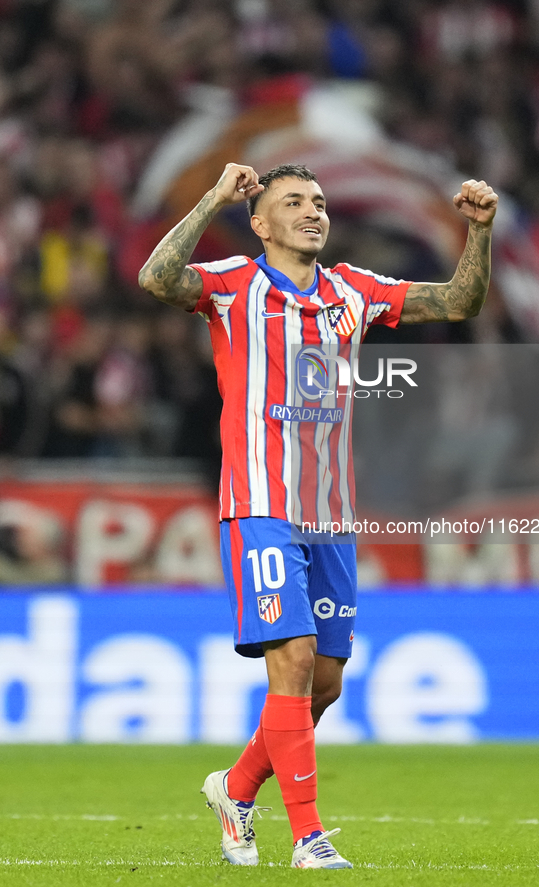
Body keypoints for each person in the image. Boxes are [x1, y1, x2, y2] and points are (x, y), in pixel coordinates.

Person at [138, 162, 497, 868]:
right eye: (292, 202)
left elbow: (458, 301)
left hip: (329, 515)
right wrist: (214, 196)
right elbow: (156, 278)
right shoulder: (234, 286)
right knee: (293, 660)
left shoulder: (351, 291)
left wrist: (477, 232)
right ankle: (308, 837)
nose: (312, 211)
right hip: (260, 506)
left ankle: (235, 789)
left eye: (319, 201)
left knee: (323, 681)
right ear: (261, 222)